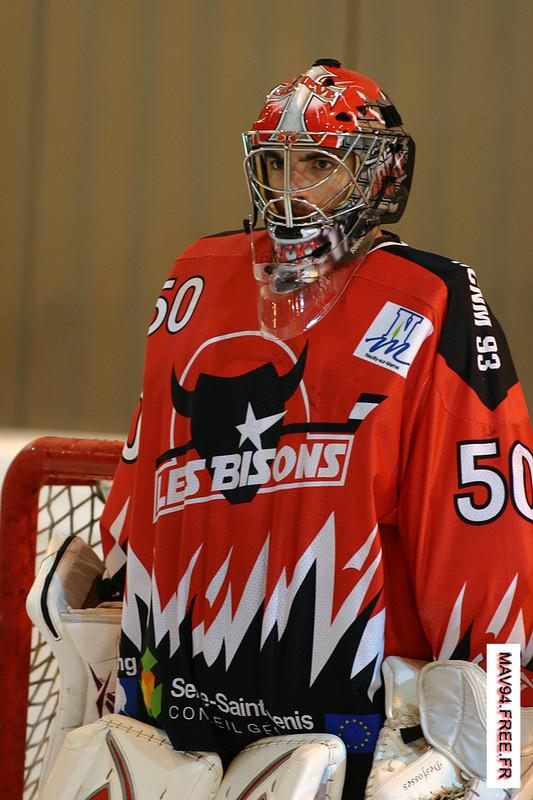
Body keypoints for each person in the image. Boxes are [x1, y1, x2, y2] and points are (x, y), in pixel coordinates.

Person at [100, 59, 533, 798]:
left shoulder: (429, 297)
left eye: (318, 164)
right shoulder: (194, 280)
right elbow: (144, 482)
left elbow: (482, 529)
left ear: (379, 174)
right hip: (182, 715)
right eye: (274, 163)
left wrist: (499, 728)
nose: (290, 189)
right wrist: (107, 594)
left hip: (358, 736)